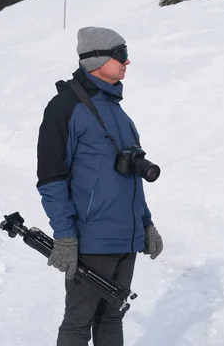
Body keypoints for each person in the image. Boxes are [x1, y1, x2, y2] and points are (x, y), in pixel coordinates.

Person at [36, 26, 163, 346]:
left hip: (125, 240)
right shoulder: (64, 108)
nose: (127, 61)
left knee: (112, 317)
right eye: (120, 54)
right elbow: (51, 178)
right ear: (95, 59)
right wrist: (64, 235)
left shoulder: (119, 112)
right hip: (91, 239)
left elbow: (132, 176)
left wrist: (146, 225)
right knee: (79, 322)